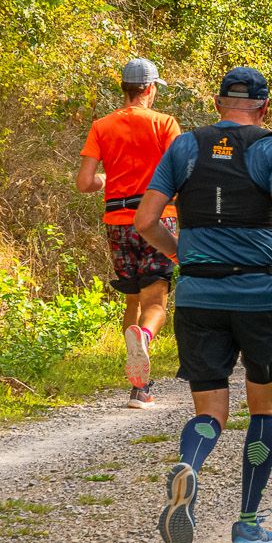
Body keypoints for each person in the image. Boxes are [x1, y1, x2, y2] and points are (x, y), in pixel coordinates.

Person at [133, 67, 272, 543]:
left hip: (198, 297)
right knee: (264, 406)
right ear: (264, 107)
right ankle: (248, 523)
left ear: (217, 105)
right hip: (258, 295)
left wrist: (181, 255)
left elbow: (144, 221)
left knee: (210, 411)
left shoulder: (185, 147)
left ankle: (190, 465)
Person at [76, 57, 181, 410]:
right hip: (158, 218)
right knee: (156, 301)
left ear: (124, 89)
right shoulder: (165, 124)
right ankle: (146, 337)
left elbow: (84, 182)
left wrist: (107, 180)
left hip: (117, 222)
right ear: (150, 89)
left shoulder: (101, 126)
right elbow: (181, 175)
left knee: (133, 298)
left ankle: (140, 388)